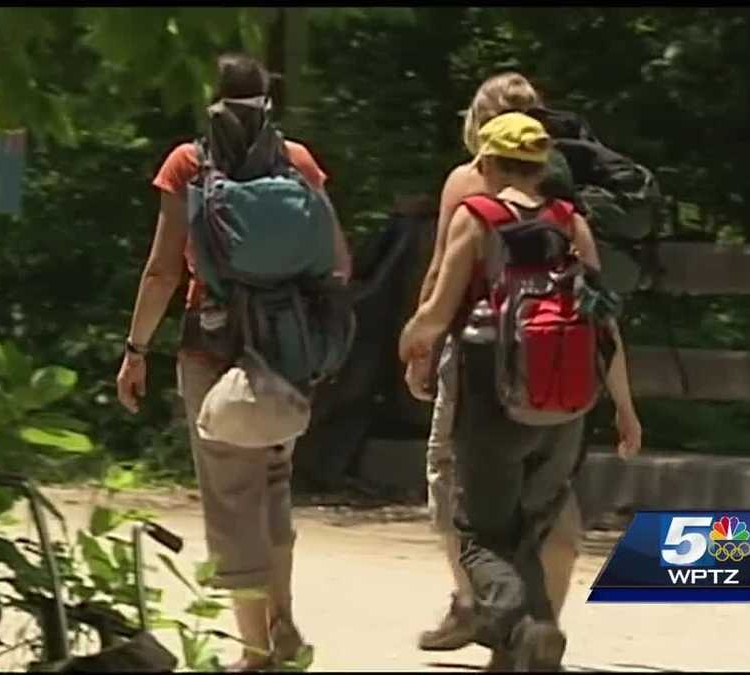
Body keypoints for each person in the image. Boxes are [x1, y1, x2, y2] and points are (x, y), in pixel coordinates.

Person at [115, 53, 352, 671]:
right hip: (287, 349)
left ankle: (255, 649)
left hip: (213, 346)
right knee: (272, 482)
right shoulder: (297, 162)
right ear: (269, 99)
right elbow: (338, 261)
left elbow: (163, 270)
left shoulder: (188, 163)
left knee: (230, 493)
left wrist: (135, 350)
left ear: (212, 98)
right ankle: (282, 621)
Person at [409, 72, 642, 653]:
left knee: (477, 530)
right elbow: (604, 322)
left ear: (487, 159)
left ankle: (510, 622)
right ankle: (535, 636)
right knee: (541, 517)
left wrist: (414, 345)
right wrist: (624, 407)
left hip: (491, 388)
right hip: (566, 395)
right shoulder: (571, 218)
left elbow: (438, 302)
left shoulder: (475, 210)